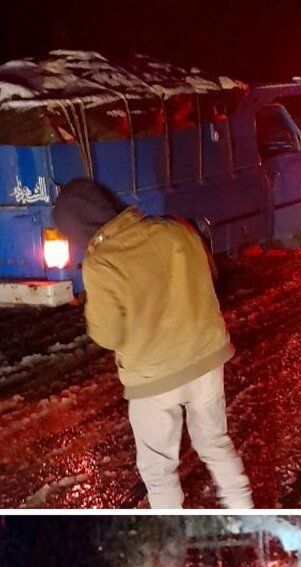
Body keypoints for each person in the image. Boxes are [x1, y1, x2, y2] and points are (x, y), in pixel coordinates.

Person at [53, 179, 253, 509]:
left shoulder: (101, 262)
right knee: (215, 443)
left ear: (78, 227)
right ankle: (246, 514)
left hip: (154, 378)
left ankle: (171, 551)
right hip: (206, 358)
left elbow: (107, 334)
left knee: (159, 470)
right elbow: (211, 277)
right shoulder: (174, 229)